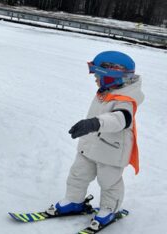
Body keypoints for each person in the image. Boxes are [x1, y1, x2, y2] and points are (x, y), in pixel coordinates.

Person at [47, 51, 144, 230]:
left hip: (111, 151)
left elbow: (121, 119)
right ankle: (73, 201)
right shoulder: (108, 91)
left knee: (109, 182)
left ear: (111, 78)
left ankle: (109, 209)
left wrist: (94, 123)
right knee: (78, 174)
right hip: (90, 145)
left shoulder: (126, 100)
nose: (95, 79)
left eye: (98, 75)